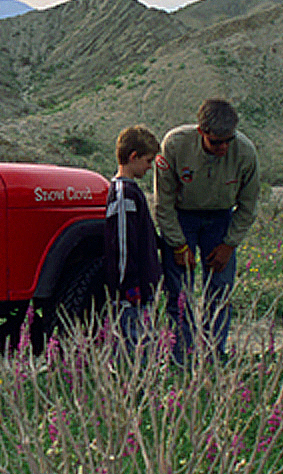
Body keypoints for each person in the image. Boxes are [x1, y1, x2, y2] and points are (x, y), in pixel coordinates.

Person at [152, 98, 260, 358]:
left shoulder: (245, 153)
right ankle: (182, 355)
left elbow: (248, 207)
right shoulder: (174, 145)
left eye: (228, 140)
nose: (223, 147)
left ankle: (214, 354)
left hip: (221, 221)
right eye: (216, 141)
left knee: (220, 288)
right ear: (201, 132)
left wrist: (229, 244)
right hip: (182, 218)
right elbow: (163, 204)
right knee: (179, 291)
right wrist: (178, 244)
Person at [103, 125, 162, 343]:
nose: (149, 167)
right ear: (133, 156)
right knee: (131, 346)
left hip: (142, 290)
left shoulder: (133, 191)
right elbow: (122, 243)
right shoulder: (122, 194)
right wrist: (128, 286)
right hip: (130, 294)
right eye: (148, 161)